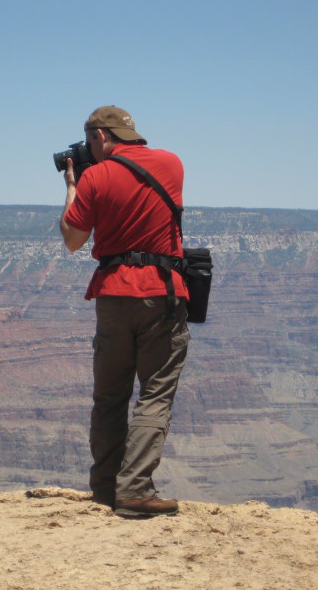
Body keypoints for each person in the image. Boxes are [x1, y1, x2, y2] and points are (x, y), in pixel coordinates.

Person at [59, 105, 189, 518]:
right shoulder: (172, 164)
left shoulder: (94, 176)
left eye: (89, 141)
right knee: (155, 392)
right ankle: (134, 489)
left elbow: (73, 240)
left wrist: (72, 188)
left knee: (110, 396)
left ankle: (104, 489)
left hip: (113, 295)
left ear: (100, 135)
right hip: (163, 293)